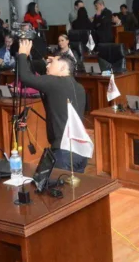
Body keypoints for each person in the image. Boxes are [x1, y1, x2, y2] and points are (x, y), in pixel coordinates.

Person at [16, 39, 88, 172]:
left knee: (54, 184)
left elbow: (26, 77)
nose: (47, 66)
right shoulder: (80, 87)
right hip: (81, 150)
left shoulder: (55, 82)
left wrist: (22, 54)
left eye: (51, 63)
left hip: (64, 152)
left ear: (63, 68)